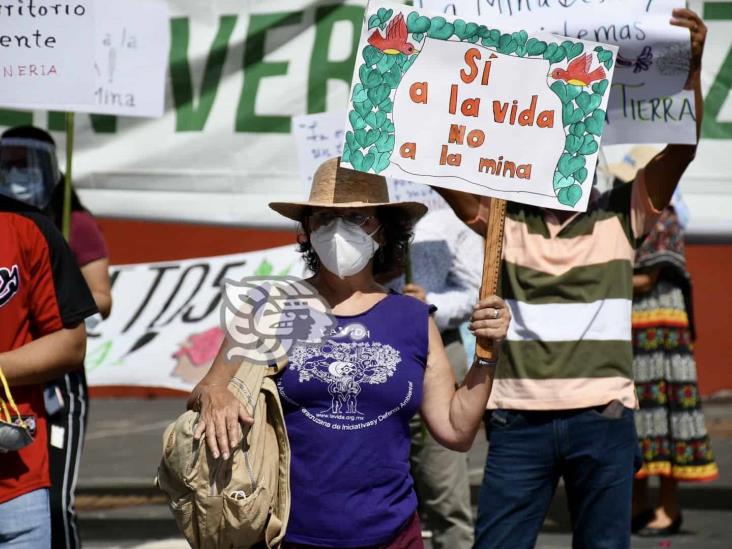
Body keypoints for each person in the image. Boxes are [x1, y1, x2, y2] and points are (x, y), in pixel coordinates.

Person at [431, 8, 707, 548]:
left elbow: (683, 146)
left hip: (602, 421)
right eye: (550, 136)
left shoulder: (624, 212)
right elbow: (445, 167)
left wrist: (691, 67)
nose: (565, 150)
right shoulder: (500, 223)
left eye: (577, 137)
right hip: (516, 422)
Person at [188, 157, 511, 548]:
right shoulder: (270, 309)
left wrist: (486, 355)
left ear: (384, 231)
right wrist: (215, 396)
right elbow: (206, 390)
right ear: (305, 231)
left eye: (357, 218)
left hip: (392, 537)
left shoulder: (413, 318)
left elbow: (456, 429)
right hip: (287, 536)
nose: (338, 229)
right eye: (323, 217)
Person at [1, 125, 113, 549]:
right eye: (9, 162)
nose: (18, 172)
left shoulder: (72, 224)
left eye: (27, 164)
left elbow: (99, 300)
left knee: (57, 501)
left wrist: (58, 281)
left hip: (53, 390)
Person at [603, 150, 720, 536]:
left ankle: (669, 507)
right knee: (635, 416)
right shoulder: (622, 221)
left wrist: (595, 277)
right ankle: (637, 503)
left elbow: (648, 280)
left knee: (665, 418)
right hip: (632, 330)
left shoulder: (664, 219)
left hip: (661, 331)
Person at [386, 206, 483, 548]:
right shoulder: (365, 216)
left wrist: (430, 302)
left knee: (444, 490)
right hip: (374, 351)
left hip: (435, 350)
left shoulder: (455, 217)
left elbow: (474, 294)